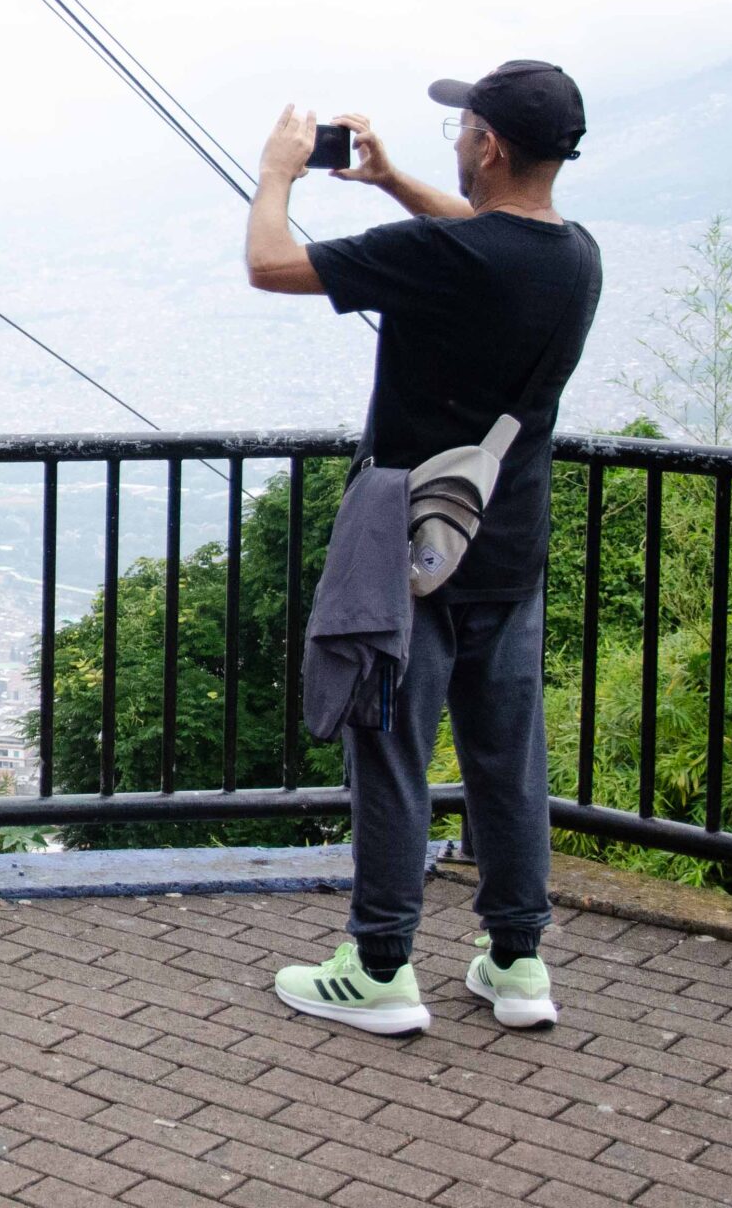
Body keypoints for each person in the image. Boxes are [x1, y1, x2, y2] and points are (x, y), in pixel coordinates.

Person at [246, 61, 601, 1033]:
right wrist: (393, 178)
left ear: (487, 144)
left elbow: (268, 263)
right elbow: (489, 240)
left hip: (411, 544)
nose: (454, 139)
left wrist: (277, 172)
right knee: (504, 757)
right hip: (509, 544)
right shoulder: (575, 257)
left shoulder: (444, 260)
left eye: (462, 128)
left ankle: (378, 963)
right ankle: (517, 961)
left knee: (391, 747)